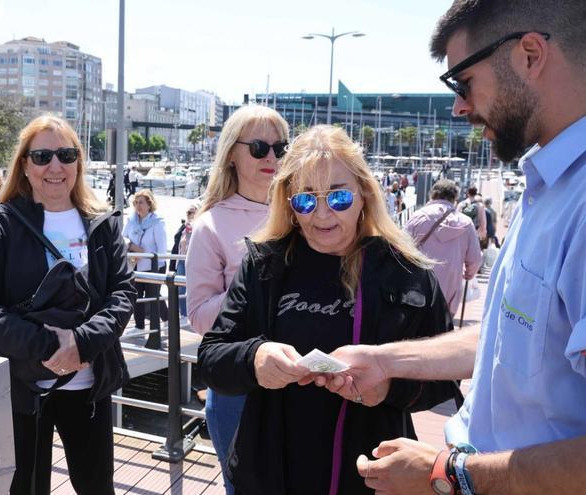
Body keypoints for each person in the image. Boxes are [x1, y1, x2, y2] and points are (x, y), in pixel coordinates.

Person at [314, 2, 586, 493]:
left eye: (462, 81)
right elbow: (508, 336)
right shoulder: (549, 184)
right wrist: (385, 360)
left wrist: (449, 475)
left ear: (529, 54)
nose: (459, 106)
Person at [197, 125, 458, 494]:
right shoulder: (265, 265)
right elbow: (211, 358)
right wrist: (255, 358)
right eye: (305, 199)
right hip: (272, 472)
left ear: (364, 193)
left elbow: (445, 380)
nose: (321, 215)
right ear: (288, 202)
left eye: (337, 198)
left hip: (371, 473)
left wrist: (388, 387)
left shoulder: (406, 272)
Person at [0, 115, 134, 495]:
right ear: (24, 165)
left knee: (96, 487)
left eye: (66, 154)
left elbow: (122, 293)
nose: (55, 166)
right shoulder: (0, 224)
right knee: (24, 488)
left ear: (79, 162)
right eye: (42, 156)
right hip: (24, 385)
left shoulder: (101, 223)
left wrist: (82, 343)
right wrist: (49, 346)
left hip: (89, 385)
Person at [185, 104, 289, 494]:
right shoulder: (211, 225)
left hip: (298, 376)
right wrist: (253, 285)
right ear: (232, 153)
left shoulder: (304, 209)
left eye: (281, 147)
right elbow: (197, 315)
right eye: (259, 147)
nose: (272, 158)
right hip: (239, 384)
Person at [405, 179, 482, 316]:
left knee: (415, 330)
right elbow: (475, 259)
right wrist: (470, 273)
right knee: (443, 330)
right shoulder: (466, 223)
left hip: (418, 287)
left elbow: (400, 249)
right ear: (455, 198)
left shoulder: (418, 217)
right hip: (450, 288)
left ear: (432, 195)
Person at [123, 189, 169, 330]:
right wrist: (131, 246)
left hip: (154, 265)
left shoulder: (157, 222)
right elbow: (123, 237)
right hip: (134, 264)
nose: (138, 205)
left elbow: (161, 249)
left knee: (153, 294)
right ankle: (139, 325)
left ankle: (166, 320)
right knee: (136, 295)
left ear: (149, 204)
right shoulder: (131, 220)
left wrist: (142, 252)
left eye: (141, 202)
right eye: (136, 202)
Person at [170, 204, 197, 319]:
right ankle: (183, 314)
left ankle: (193, 314)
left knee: (194, 289)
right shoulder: (183, 227)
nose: (189, 215)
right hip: (181, 260)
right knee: (181, 288)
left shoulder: (200, 226)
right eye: (188, 213)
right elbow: (176, 245)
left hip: (195, 261)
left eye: (192, 212)